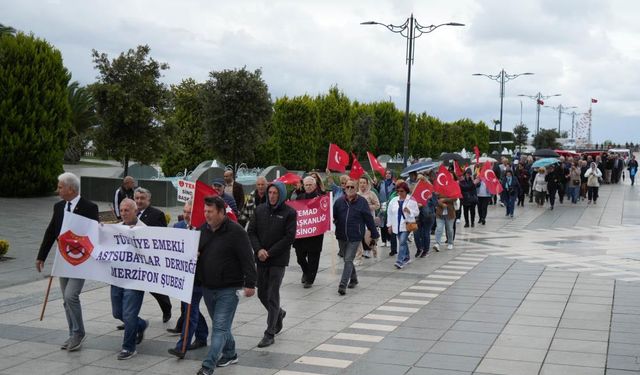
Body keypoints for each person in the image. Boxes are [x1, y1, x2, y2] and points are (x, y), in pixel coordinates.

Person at [36, 172, 99, 352]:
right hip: (63, 259)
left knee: (71, 295)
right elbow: (50, 232)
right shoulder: (58, 207)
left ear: (71, 189)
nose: (58, 190)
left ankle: (79, 333)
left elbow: (94, 233)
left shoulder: (90, 207)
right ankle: (73, 333)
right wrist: (41, 256)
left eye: (60, 187)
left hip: (80, 261)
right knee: (66, 299)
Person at [196, 196, 257, 375]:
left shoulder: (236, 231)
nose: (206, 215)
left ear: (222, 212)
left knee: (219, 327)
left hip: (229, 289)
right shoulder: (202, 230)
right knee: (221, 325)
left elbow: (247, 258)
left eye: (210, 212)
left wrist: (251, 283)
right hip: (208, 287)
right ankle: (230, 353)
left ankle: (208, 366)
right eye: (205, 211)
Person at [247, 181, 296, 348]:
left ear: (281, 194)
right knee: (262, 294)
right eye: (270, 193)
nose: (272, 196)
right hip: (261, 259)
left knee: (272, 294)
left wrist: (270, 252)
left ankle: (270, 332)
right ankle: (278, 314)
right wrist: (259, 250)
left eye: (275, 193)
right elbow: (251, 231)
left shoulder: (289, 213)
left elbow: (289, 237)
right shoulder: (260, 210)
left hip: (277, 260)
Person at [167, 200, 209, 359]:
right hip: (182, 277)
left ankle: (181, 346)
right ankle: (202, 335)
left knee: (190, 311)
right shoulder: (177, 227)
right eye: (184, 211)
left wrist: (200, 255)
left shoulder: (204, 229)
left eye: (190, 212)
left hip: (198, 279)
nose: (186, 215)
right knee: (190, 309)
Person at [111, 198, 149, 360]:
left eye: (127, 210)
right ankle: (140, 324)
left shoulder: (145, 229)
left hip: (135, 279)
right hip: (118, 277)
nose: (124, 213)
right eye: (122, 210)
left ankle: (128, 347)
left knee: (128, 314)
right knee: (117, 312)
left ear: (135, 211)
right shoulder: (116, 228)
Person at [333, 179, 379, 295]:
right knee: (346, 258)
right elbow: (334, 217)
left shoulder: (362, 202)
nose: (349, 189)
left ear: (356, 188)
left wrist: (374, 234)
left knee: (348, 259)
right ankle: (354, 278)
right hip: (341, 235)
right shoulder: (339, 202)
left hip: (355, 236)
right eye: (347, 187)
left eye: (352, 187)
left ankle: (342, 285)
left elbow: (368, 218)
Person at [134, 187, 172, 324]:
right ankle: (130, 317)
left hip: (150, 259)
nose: (139, 201)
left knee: (155, 289)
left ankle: (166, 307)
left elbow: (162, 237)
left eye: (142, 198)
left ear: (148, 200)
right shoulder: (131, 212)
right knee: (132, 292)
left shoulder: (157, 214)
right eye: (137, 198)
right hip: (134, 259)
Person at [293, 176, 325, 288]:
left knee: (313, 258)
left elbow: (324, 215)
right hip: (302, 233)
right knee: (300, 257)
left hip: (315, 234)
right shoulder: (299, 197)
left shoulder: (320, 199)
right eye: (306, 185)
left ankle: (310, 280)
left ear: (315, 186)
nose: (308, 187)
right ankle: (306, 271)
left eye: (310, 185)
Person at [386, 182, 419, 269]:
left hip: (406, 225)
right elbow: (389, 213)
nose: (400, 193)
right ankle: (407, 257)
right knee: (403, 242)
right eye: (398, 191)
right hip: (396, 225)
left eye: (402, 191)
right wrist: (389, 225)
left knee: (402, 242)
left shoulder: (411, 200)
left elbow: (417, 212)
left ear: (406, 191)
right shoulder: (393, 200)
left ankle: (400, 261)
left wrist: (409, 211)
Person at [356, 176, 380, 259]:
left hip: (369, 218)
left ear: (367, 184)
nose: (362, 184)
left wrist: (368, 207)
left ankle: (372, 248)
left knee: (367, 236)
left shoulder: (371, 194)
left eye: (364, 183)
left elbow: (377, 205)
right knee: (360, 235)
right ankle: (363, 252)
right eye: (361, 183)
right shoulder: (357, 194)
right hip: (359, 219)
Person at [376, 170, 396, 249]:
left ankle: (389, 240)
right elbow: (377, 191)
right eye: (386, 173)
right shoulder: (381, 183)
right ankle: (383, 241)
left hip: (391, 205)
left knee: (389, 223)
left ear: (392, 175)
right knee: (382, 224)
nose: (387, 175)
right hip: (382, 205)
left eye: (389, 173)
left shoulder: (394, 184)